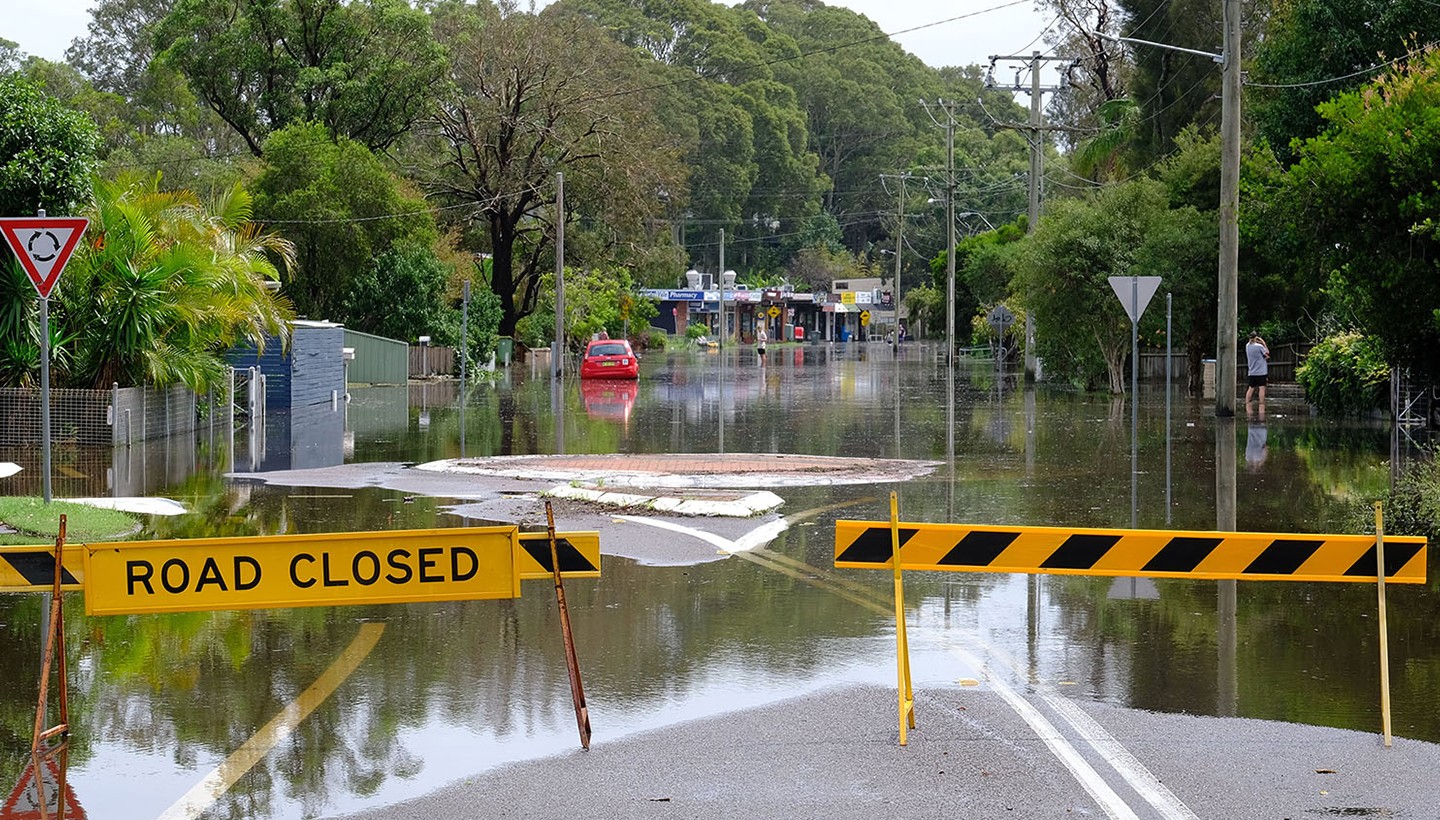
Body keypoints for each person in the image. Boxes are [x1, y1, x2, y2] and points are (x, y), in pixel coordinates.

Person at [1245, 332, 1270, 415]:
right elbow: (1267, 353)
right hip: (1261, 372)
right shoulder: (1259, 346)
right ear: (1256, 338)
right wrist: (1263, 343)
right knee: (1262, 388)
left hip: (1252, 372)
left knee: (1251, 388)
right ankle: (1261, 406)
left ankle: (1247, 403)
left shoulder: (1247, 346)